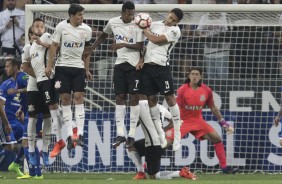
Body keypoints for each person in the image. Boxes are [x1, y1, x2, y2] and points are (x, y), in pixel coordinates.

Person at [91, 1, 145, 148]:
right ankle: (121, 134)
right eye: (128, 14)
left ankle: (132, 135)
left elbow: (140, 46)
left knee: (134, 97)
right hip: (120, 65)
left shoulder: (139, 24)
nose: (130, 16)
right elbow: (103, 35)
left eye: (132, 14)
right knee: (120, 97)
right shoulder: (113, 22)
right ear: (122, 13)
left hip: (135, 66)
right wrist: (92, 47)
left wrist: (122, 44)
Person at [165, 67, 238, 174]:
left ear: (201, 76)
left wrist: (223, 123)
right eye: (192, 74)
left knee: (217, 138)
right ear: (189, 76)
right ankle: (148, 165)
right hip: (183, 121)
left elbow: (213, 108)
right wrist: (173, 122)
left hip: (198, 121)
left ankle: (225, 168)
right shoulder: (182, 90)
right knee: (165, 143)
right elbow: (175, 108)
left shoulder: (206, 90)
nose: (194, 76)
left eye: (197, 74)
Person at [45, 4, 92, 150]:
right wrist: (49, 65)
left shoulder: (87, 30)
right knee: (65, 100)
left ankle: (81, 135)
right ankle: (70, 136)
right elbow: (53, 46)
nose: (81, 18)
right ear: (71, 16)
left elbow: (87, 51)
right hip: (62, 68)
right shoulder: (61, 27)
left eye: (82, 15)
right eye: (79, 15)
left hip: (78, 68)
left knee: (79, 98)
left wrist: (87, 69)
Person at [136, 8, 183, 151]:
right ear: (168, 13)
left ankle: (177, 136)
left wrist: (144, 29)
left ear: (177, 22)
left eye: (174, 20)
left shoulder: (175, 31)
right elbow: (146, 46)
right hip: (148, 68)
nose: (171, 21)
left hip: (162, 68)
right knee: (151, 99)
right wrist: (142, 59)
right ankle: (160, 133)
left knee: (170, 98)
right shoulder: (154, 24)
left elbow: (157, 40)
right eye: (170, 17)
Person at [128, 96, 197, 180]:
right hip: (160, 141)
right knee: (131, 146)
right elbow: (176, 121)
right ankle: (141, 172)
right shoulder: (161, 107)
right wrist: (163, 130)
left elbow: (135, 124)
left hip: (152, 145)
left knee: (154, 176)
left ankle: (181, 173)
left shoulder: (140, 105)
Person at [29, 17, 66, 158]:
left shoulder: (45, 37)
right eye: (36, 26)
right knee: (55, 108)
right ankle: (71, 129)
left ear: (44, 29)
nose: (39, 28)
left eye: (42, 26)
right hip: (40, 81)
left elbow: (55, 48)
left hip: (48, 78)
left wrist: (42, 42)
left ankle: (59, 140)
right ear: (32, 29)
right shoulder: (32, 46)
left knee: (53, 109)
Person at [21, 25, 51, 170]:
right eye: (35, 30)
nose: (38, 31)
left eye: (41, 28)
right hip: (33, 86)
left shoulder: (46, 42)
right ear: (30, 33)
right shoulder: (27, 48)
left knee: (47, 116)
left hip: (46, 84)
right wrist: (39, 77)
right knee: (32, 117)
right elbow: (25, 67)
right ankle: (32, 151)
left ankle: (45, 149)